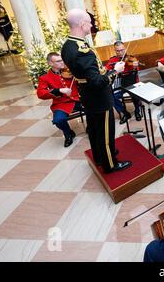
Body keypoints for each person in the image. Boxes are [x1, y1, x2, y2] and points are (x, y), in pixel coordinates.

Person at [61, 9, 131, 174]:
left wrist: (105, 71)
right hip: (99, 97)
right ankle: (110, 164)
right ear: (81, 24)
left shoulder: (67, 45)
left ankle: (99, 156)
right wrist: (116, 71)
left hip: (86, 95)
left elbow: (87, 75)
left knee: (94, 128)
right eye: (88, 21)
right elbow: (99, 82)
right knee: (106, 132)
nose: (91, 24)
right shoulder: (82, 52)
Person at [36, 52, 82, 148]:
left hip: (77, 99)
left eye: (62, 60)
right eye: (58, 61)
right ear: (50, 63)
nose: (62, 63)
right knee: (58, 120)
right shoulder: (45, 78)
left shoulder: (70, 71)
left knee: (93, 108)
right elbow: (40, 93)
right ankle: (68, 133)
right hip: (61, 104)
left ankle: (91, 128)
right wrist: (59, 90)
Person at [105, 41, 142, 123]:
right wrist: (110, 69)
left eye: (122, 50)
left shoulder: (131, 58)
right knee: (112, 97)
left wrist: (135, 66)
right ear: (115, 51)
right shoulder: (112, 60)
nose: (120, 53)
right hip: (120, 85)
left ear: (125, 49)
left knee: (136, 95)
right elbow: (107, 70)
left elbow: (136, 72)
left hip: (132, 83)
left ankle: (137, 111)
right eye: (118, 51)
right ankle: (124, 113)